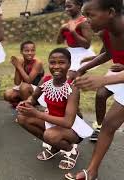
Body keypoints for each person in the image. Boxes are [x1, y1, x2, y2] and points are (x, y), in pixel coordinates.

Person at [65, 0, 124, 179]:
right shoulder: (106, 32)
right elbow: (108, 53)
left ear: (111, 12)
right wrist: (84, 68)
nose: (86, 20)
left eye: (90, 15)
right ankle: (92, 172)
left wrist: (104, 80)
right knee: (108, 125)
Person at [16, 48, 93, 170]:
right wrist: (26, 103)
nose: (56, 66)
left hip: (71, 129)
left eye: (61, 62)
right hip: (51, 122)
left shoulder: (72, 89)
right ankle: (55, 146)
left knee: (50, 135)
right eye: (52, 62)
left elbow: (68, 122)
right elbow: (33, 98)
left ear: (69, 64)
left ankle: (70, 150)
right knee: (22, 118)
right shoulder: (46, 81)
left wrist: (36, 113)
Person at [57, 0, 95, 80]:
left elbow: (86, 45)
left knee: (69, 78)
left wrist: (73, 32)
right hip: (71, 53)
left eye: (69, 6)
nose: (67, 9)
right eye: (66, 7)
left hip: (82, 54)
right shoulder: (70, 22)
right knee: (63, 78)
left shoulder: (84, 22)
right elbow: (59, 42)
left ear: (79, 6)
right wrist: (61, 29)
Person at [4, 41, 44, 107]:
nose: (30, 53)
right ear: (21, 52)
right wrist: (17, 66)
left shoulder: (37, 63)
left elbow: (29, 81)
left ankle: (30, 105)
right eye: (27, 51)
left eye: (32, 50)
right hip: (25, 89)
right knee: (7, 94)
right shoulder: (22, 62)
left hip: (37, 90)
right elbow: (17, 83)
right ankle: (24, 102)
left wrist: (19, 66)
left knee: (24, 87)